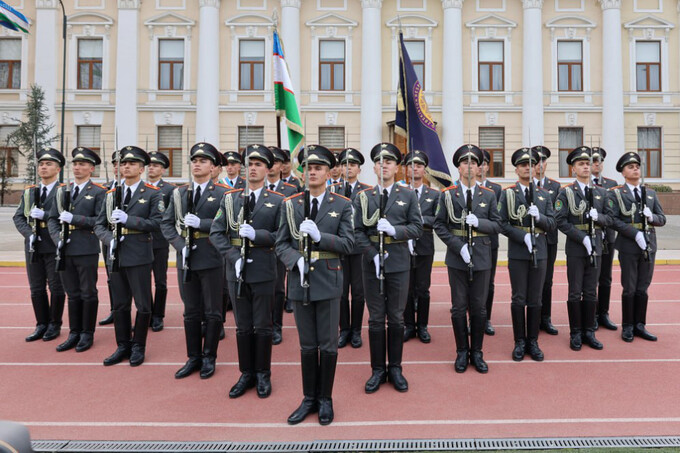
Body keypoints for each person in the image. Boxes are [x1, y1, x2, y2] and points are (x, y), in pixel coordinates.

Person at [276, 145, 354, 425]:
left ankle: (326, 399)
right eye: (308, 167)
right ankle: (309, 398)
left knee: (328, 345)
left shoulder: (343, 205)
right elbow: (281, 242)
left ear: (329, 172)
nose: (312, 172)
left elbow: (348, 244)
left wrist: (321, 237)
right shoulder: (291, 204)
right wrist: (293, 260)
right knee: (308, 345)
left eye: (318, 168)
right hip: (299, 280)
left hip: (328, 280)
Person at [210, 145, 282, 397]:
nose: (252, 168)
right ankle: (246, 373)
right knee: (242, 325)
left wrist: (258, 235)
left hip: (263, 268)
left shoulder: (278, 201)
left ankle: (263, 373)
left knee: (262, 325)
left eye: (258, 164)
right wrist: (231, 256)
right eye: (249, 164)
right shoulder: (230, 198)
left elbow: (281, 236)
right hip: (236, 271)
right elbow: (216, 232)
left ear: (267, 169)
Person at [354, 142, 422, 393]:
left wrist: (396, 231)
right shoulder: (364, 197)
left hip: (398, 262)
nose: (384, 165)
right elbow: (357, 231)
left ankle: (395, 367)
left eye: (389, 161)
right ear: (373, 167)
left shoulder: (407, 195)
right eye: (380, 161)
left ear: (397, 168)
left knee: (395, 317)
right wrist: (372, 254)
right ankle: (377, 370)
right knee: (375, 319)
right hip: (372, 263)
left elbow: (417, 227)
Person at [161, 142, 230, 378]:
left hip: (211, 256)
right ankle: (193, 357)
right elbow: (167, 224)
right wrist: (180, 247)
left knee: (212, 311)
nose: (197, 164)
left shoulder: (222, 193)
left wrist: (202, 224)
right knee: (190, 311)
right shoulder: (179, 193)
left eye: (202, 161)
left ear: (212, 167)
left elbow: (228, 226)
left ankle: (209, 357)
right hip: (187, 258)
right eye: (194, 160)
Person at [433, 145, 501, 374]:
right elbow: (440, 225)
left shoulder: (489, 195)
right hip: (457, 256)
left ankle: (477, 352)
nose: (470, 167)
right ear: (459, 167)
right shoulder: (447, 195)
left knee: (480, 308)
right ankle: (462, 351)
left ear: (479, 167)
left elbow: (497, 224)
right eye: (465, 163)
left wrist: (479, 224)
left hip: (481, 256)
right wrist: (458, 246)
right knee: (459, 307)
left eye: (474, 163)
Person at [94, 146, 163, 366]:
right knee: (120, 304)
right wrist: (110, 239)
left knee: (143, 304)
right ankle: (122, 345)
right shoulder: (111, 194)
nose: (126, 167)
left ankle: (138, 346)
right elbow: (99, 225)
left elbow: (157, 223)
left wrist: (129, 220)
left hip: (139, 253)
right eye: (123, 163)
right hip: (116, 254)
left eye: (132, 163)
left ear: (142, 168)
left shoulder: (152, 193)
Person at [498, 148, 556, 361]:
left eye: (530, 165)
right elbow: (501, 223)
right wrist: (521, 236)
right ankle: (519, 341)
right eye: (523, 165)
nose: (527, 168)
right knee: (518, 297)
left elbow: (552, 224)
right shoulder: (507, 194)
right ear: (516, 169)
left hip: (539, 251)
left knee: (535, 298)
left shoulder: (543, 195)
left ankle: (533, 341)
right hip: (518, 251)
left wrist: (539, 217)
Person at [47, 147, 107, 352]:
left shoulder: (99, 191)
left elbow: (100, 220)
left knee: (88, 292)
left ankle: (87, 333)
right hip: (65, 248)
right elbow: (52, 219)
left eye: (82, 164)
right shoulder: (62, 190)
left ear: (91, 168)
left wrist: (76, 219)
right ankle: (74, 332)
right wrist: (57, 239)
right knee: (72, 293)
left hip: (86, 248)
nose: (77, 167)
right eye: (75, 164)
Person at [555, 146, 612, 351]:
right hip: (577, 248)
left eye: (588, 163)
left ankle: (590, 331)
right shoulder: (566, 192)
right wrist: (582, 238)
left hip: (596, 244)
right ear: (573, 169)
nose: (586, 167)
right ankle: (576, 332)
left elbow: (611, 218)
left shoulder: (602, 193)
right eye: (581, 164)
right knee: (575, 291)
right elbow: (560, 221)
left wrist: (600, 219)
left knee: (590, 291)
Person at [607, 151, 666, 342]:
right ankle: (628, 326)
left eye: (637, 167)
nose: (635, 169)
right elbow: (613, 220)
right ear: (623, 173)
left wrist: (652, 217)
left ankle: (640, 325)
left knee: (643, 287)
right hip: (628, 246)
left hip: (649, 245)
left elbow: (662, 219)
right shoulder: (616, 193)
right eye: (631, 167)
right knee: (630, 287)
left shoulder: (650, 193)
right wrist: (635, 234)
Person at [13, 148, 67, 342]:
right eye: (41, 164)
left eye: (49, 164)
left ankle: (55, 324)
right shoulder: (30, 192)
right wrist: (29, 235)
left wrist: (45, 216)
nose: (43, 167)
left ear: (58, 168)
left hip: (53, 244)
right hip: (34, 245)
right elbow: (18, 217)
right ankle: (41, 324)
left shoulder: (64, 191)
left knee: (56, 286)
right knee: (36, 287)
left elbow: (65, 218)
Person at [331, 147, 371, 348]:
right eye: (345, 165)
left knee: (358, 291)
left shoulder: (367, 191)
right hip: (338, 248)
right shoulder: (332, 190)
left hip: (358, 249)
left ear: (359, 169)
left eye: (352, 165)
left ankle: (356, 330)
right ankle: (343, 329)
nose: (348, 168)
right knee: (340, 291)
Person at [402, 150, 440, 344]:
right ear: (406, 170)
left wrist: (418, 220)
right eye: (411, 165)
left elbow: (438, 219)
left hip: (424, 246)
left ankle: (422, 326)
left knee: (423, 288)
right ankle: (409, 325)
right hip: (403, 246)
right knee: (406, 289)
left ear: (424, 170)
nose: (414, 168)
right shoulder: (400, 193)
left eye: (418, 165)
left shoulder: (433, 195)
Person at [266, 145, 298, 344]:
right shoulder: (252, 189)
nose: (271, 166)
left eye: (275, 162)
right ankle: (262, 325)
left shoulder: (291, 190)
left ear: (281, 166)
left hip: (279, 246)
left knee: (278, 290)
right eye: (267, 163)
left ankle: (276, 326)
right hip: (260, 247)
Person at [533, 146, 561, 335]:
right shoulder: (524, 184)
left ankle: (545, 318)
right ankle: (532, 318)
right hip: (528, 239)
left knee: (547, 281)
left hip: (548, 239)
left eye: (543, 161)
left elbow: (555, 216)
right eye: (536, 162)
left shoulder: (554, 186)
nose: (540, 165)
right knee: (531, 281)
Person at [146, 151, 175, 332]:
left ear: (163, 170)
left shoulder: (170, 190)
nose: (152, 168)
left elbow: (170, 216)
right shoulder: (141, 187)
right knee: (142, 281)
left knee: (160, 281)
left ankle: (158, 315)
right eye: (150, 165)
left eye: (156, 165)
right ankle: (146, 312)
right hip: (141, 242)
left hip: (159, 241)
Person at [590, 147, 619, 330]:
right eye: (593, 160)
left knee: (606, 278)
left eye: (599, 160)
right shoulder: (583, 183)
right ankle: (591, 314)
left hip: (607, 237)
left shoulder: (611, 184)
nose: (596, 163)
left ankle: (603, 313)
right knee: (591, 278)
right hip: (590, 238)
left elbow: (614, 211)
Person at [477, 149, 502, 335]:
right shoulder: (458, 187)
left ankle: (486, 318)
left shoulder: (496, 189)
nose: (480, 167)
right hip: (466, 243)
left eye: (484, 163)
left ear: (487, 166)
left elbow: (497, 220)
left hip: (489, 243)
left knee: (489, 283)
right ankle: (473, 316)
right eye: (477, 163)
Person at [98, 152, 120, 326]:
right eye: (116, 164)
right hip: (108, 239)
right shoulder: (104, 189)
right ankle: (115, 310)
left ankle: (148, 312)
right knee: (111, 276)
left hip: (132, 240)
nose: (118, 167)